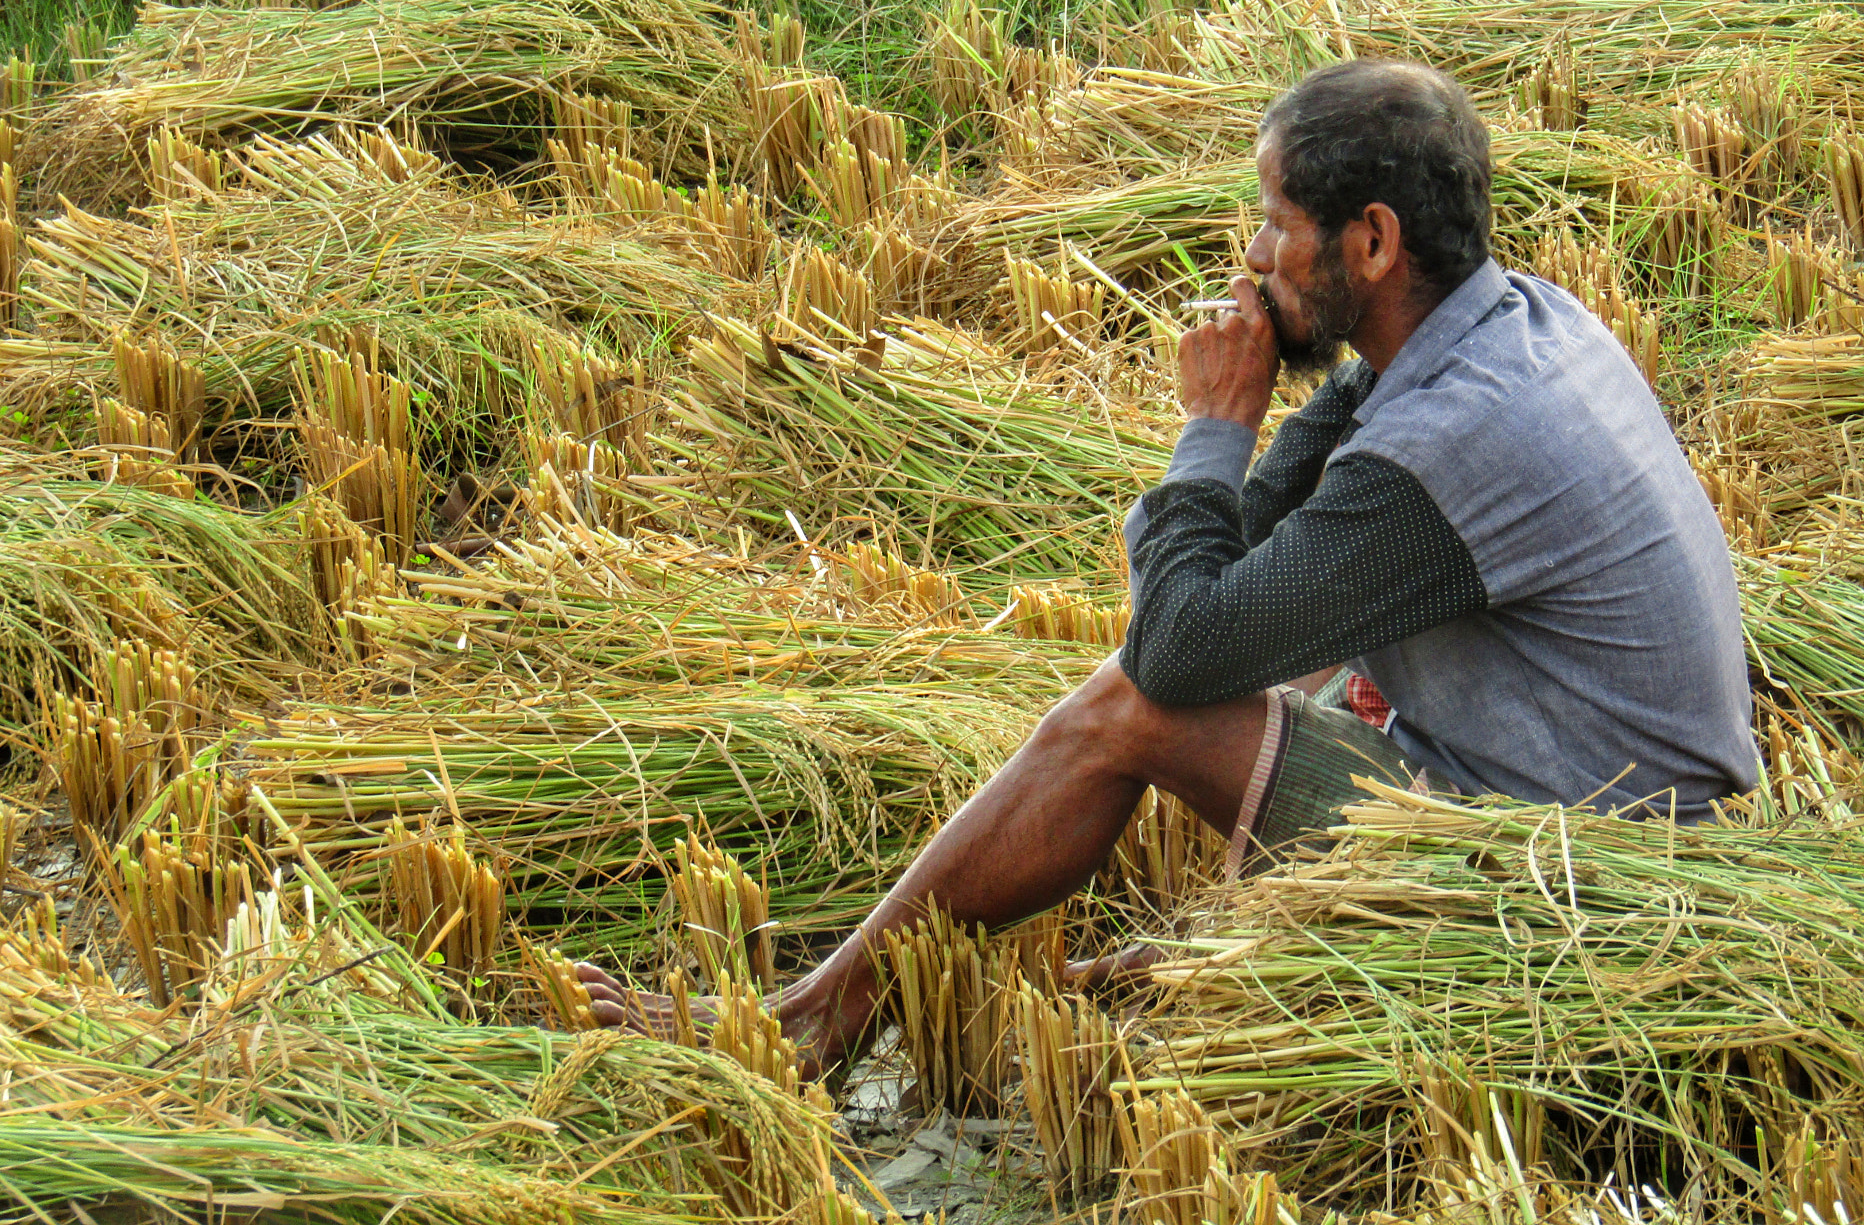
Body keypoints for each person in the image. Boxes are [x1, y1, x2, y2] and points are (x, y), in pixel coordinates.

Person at [577, 58, 1761, 1076]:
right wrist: (1257, 428)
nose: (1252, 254)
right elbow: (1264, 537)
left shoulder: (1451, 442)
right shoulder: (1505, 323)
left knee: (1130, 709)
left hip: (1581, 884)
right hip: (1607, 810)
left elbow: (1179, 653)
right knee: (1273, 664)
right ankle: (1263, 944)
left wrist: (1210, 427)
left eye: (1274, 222)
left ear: (1370, 240)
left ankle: (820, 1012)